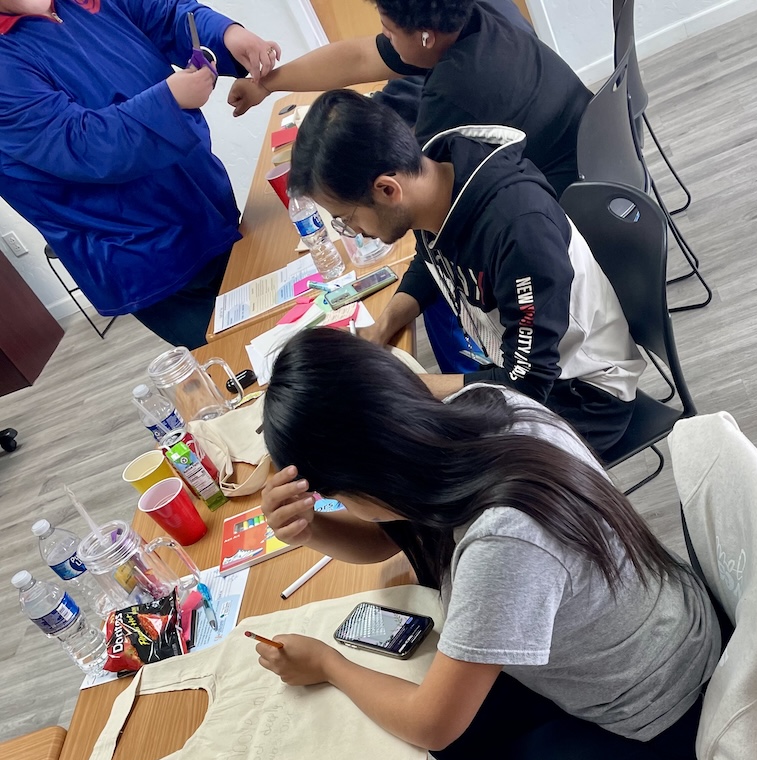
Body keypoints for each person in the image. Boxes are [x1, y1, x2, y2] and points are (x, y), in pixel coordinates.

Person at [255, 329, 724, 760]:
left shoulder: (501, 543)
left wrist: (327, 661)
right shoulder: (484, 409)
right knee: (458, 738)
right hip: (656, 638)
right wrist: (316, 518)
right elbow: (394, 530)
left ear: (364, 477)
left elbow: (428, 718)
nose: (332, 506)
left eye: (333, 495)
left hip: (670, 727)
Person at [286, 90, 646, 456]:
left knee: (424, 463)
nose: (355, 232)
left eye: (346, 220)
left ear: (386, 189)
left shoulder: (519, 233)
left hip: (584, 396)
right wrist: (381, 328)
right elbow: (430, 261)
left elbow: (525, 386)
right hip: (527, 368)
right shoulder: (435, 179)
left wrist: (405, 383)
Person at [0, 0, 281, 347]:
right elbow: (80, 143)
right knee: (247, 358)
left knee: (285, 322)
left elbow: (168, 15)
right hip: (141, 254)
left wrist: (227, 35)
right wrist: (169, 99)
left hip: (204, 208)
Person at [228, 0, 590, 198]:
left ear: (424, 37)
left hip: (565, 197)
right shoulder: (476, 11)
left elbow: (413, 188)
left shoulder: (454, 89)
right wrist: (268, 84)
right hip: (591, 146)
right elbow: (360, 57)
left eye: (388, 31)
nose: (384, 37)